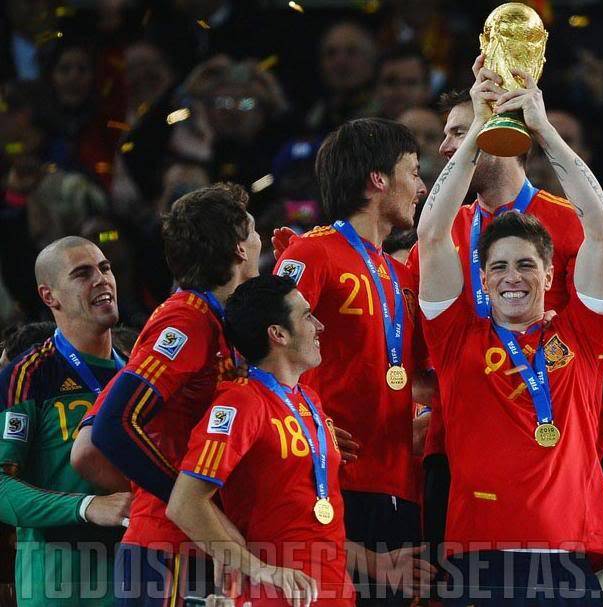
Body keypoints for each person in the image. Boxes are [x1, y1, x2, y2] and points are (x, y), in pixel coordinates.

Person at [416, 54, 603, 604]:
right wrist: (479, 131)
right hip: (480, 559)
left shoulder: (580, 335)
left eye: (527, 265)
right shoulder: (459, 338)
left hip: (568, 558)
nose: (513, 278)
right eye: (500, 268)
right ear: (480, 280)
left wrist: (543, 128)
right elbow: (431, 235)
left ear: (552, 273)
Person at [167, 275, 434, 606]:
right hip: (276, 598)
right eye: (307, 315)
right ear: (277, 334)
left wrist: (375, 564)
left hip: (335, 594)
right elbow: (184, 503)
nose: (319, 325)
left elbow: (308, 525)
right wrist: (261, 570)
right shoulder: (240, 402)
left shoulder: (309, 402)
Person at [71, 183, 261, 605]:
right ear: (239, 249)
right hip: (167, 550)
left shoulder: (217, 321)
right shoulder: (187, 320)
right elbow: (112, 427)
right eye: (253, 230)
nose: (260, 239)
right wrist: (196, 509)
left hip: (192, 547)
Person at [273, 117, 431, 605]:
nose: (422, 186)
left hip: (401, 483)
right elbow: (262, 346)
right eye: (413, 170)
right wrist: (310, 423)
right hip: (333, 483)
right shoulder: (312, 252)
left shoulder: (402, 274)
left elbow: (422, 376)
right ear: (377, 179)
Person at [0, 236, 131, 606]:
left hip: (137, 575)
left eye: (105, 268)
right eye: (82, 274)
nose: (102, 279)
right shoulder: (28, 376)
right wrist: (87, 506)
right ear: (49, 297)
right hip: (60, 585)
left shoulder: (139, 369)